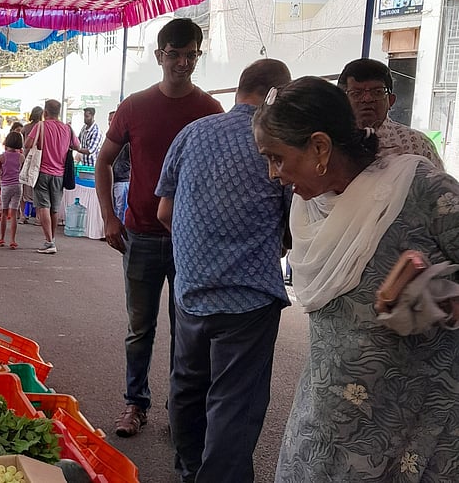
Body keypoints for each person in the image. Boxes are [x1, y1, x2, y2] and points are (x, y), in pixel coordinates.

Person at [253, 76, 459, 481]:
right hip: (327, 410)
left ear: (319, 147)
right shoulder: (309, 208)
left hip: (417, 418)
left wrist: (438, 298)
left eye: (276, 158)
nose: (272, 174)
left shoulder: (419, 190)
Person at [155, 59, 293, 482]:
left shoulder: (193, 133)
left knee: (188, 388)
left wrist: (200, 250)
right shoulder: (278, 142)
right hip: (248, 300)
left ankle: (190, 471)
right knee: (234, 403)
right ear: (275, 94)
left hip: (192, 291)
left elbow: (164, 211)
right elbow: (292, 230)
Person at [94, 17, 223, 437]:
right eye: (174, 54)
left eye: (191, 55)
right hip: (141, 236)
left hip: (191, 240)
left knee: (188, 329)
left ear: (197, 56)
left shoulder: (210, 110)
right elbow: (103, 161)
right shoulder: (134, 106)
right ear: (159, 56)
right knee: (140, 327)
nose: (182, 63)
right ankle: (135, 403)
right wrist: (109, 216)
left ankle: (178, 410)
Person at [337, 58, 444, 169]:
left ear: (391, 100)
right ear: (341, 101)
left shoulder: (416, 143)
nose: (367, 99)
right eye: (356, 93)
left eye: (377, 92)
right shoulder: (332, 142)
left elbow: (439, 185)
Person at [23, 98, 89, 254]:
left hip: (42, 171)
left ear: (45, 112)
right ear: (58, 113)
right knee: (54, 208)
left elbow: (27, 144)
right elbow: (77, 147)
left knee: (43, 206)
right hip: (60, 174)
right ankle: (51, 240)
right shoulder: (67, 128)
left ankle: (49, 241)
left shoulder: (41, 126)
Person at [0, 131, 24, 249]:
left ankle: (2, 238)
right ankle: (13, 240)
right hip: (18, 186)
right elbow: (23, 172)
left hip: (6, 186)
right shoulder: (21, 157)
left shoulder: (1, 157)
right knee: (13, 214)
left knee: (4, 213)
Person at [108, 110, 130, 223]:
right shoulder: (108, 140)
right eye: (109, 120)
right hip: (111, 179)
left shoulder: (126, 141)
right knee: (112, 207)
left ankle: (119, 232)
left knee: (120, 208)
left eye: (112, 120)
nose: (109, 123)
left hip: (122, 179)